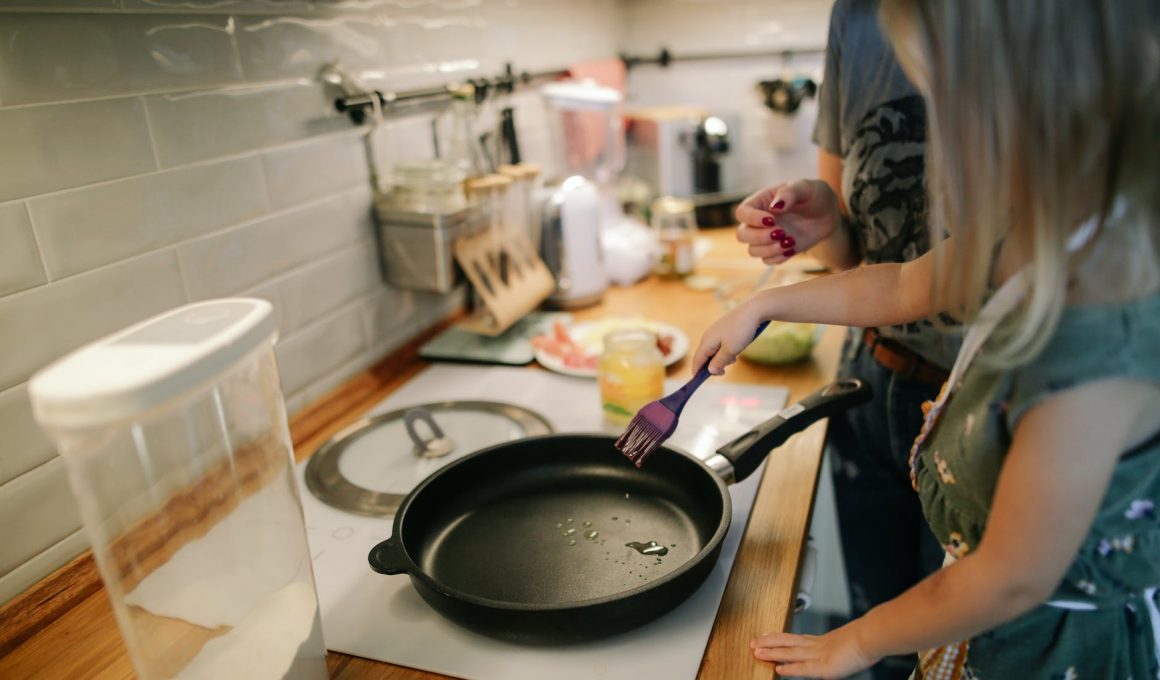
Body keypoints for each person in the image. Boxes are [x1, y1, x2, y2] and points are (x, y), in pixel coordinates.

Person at [696, 0, 1160, 676]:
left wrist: (858, 639)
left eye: (947, 97)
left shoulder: (1095, 338)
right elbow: (902, 286)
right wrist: (767, 304)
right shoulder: (1046, 224)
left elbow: (1010, 578)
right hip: (984, 621)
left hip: (1045, 652)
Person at [737, 2, 946, 676]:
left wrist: (771, 304)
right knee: (882, 643)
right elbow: (884, 273)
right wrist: (825, 224)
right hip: (873, 381)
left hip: (989, 402)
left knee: (950, 647)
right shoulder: (858, 17)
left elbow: (1008, 578)